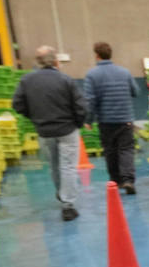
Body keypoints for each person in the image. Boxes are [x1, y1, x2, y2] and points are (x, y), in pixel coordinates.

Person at [12, 45, 87, 221]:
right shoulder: (65, 80)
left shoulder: (27, 81)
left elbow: (17, 105)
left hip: (44, 131)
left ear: (37, 62)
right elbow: (81, 106)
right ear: (56, 61)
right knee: (68, 166)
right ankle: (68, 205)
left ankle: (62, 195)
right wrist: (78, 123)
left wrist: (35, 118)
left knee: (54, 165)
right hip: (67, 130)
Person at [83, 42, 139, 194]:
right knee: (126, 150)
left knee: (110, 151)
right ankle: (128, 180)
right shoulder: (124, 72)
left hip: (106, 121)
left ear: (97, 55)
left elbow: (90, 100)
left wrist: (88, 120)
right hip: (125, 119)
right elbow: (136, 91)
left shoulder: (92, 75)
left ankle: (116, 181)